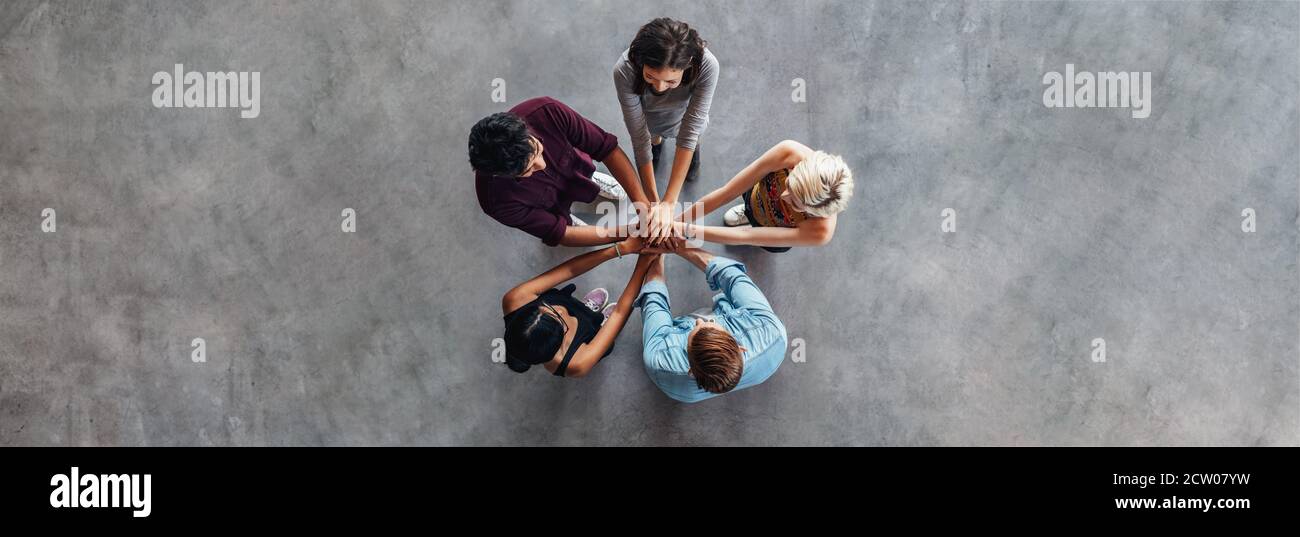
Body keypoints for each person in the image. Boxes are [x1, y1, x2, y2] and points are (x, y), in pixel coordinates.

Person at [469, 96, 652, 246]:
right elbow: (560, 233)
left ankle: (589, 178)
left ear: (524, 127)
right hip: (548, 207)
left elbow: (606, 148)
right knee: (564, 223)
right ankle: (569, 218)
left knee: (581, 168)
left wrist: (643, 208)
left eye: (538, 150)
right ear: (501, 175)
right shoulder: (496, 202)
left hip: (574, 165)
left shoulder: (546, 111)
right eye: (529, 169)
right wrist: (628, 231)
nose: (542, 165)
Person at [613, 17, 717, 243]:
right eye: (650, 76)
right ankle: (658, 146)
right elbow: (638, 136)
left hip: (684, 120)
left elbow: (690, 129)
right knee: (652, 140)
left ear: (688, 65)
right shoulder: (624, 70)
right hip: (649, 122)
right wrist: (654, 205)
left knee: (693, 141)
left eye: (671, 81)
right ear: (640, 63)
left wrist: (668, 203)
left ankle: (691, 160)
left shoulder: (707, 65)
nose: (658, 87)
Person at [636, 246, 786, 402]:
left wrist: (657, 253)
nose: (700, 321)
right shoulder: (772, 331)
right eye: (711, 324)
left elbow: (654, 300)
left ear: (690, 371)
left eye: (693, 331)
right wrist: (678, 245)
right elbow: (732, 277)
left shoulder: (660, 359)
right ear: (740, 348)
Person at [501, 235, 657, 378]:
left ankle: (587, 309)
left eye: (545, 307)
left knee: (583, 311)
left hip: (571, 308)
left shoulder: (515, 300)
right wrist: (644, 263)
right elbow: (619, 314)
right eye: (558, 316)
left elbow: (570, 270)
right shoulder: (576, 363)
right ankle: (602, 328)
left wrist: (621, 249)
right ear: (559, 342)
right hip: (589, 336)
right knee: (607, 335)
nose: (561, 309)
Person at [670, 140, 854, 252]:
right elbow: (728, 192)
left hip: (776, 227)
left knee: (762, 241)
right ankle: (748, 210)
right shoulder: (789, 152)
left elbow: (745, 235)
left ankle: (757, 222)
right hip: (756, 197)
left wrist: (684, 230)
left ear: (813, 212)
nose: (783, 195)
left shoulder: (819, 232)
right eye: (789, 183)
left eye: (795, 203)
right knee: (749, 200)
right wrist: (675, 221)